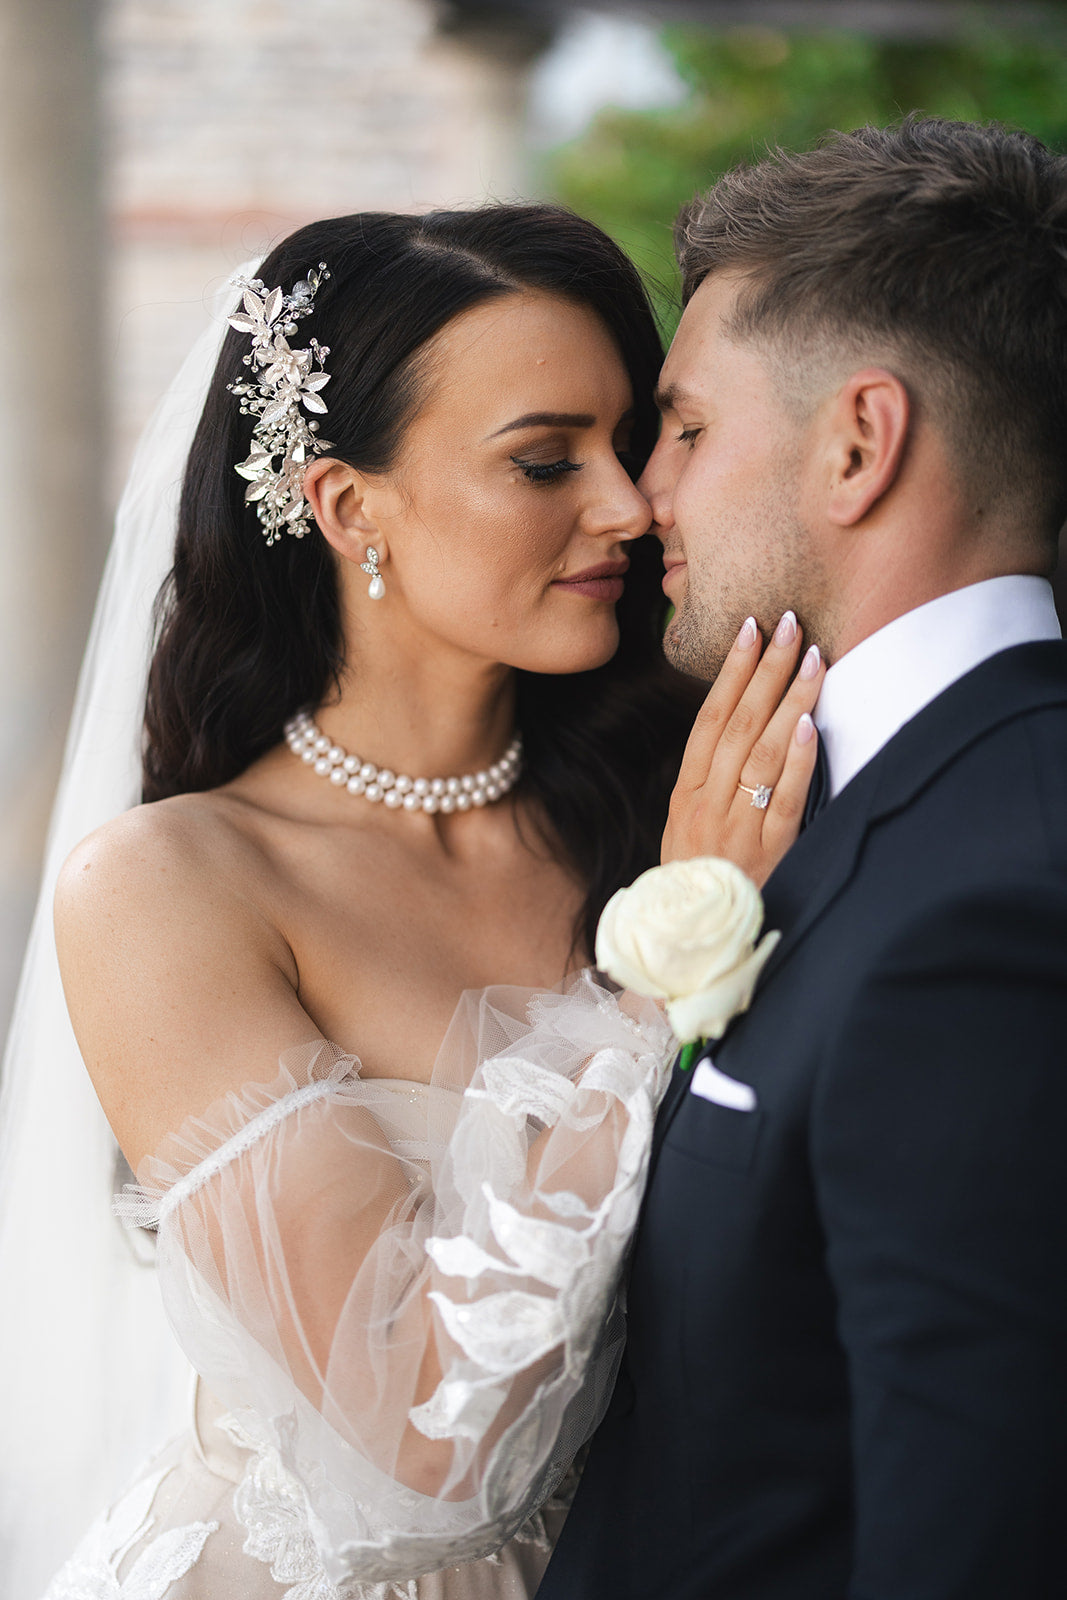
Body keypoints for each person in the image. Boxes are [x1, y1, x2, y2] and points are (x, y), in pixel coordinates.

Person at [24, 205, 814, 1600]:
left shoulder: (683, 795)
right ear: (345, 505)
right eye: (543, 461)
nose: (630, 506)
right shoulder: (170, 887)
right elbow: (411, 1432)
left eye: (630, 446)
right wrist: (659, 977)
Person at [536, 117, 1067, 1600]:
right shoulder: (870, 806)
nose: (643, 498)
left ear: (858, 444)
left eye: (687, 429)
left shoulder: (999, 905)